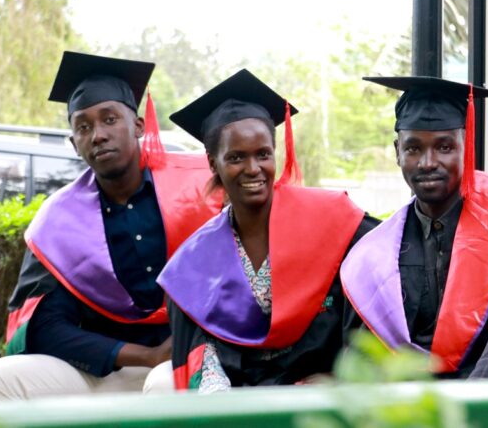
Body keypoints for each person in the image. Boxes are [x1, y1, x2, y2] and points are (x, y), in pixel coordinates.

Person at [0, 52, 223, 399]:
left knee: (165, 384)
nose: (98, 135)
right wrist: (144, 356)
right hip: (103, 369)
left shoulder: (198, 187)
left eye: (109, 119)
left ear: (138, 126)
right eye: (84, 126)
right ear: (75, 143)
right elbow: (45, 327)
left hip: (183, 360)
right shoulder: (60, 219)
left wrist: (168, 356)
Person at [157, 69, 378, 391]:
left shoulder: (334, 221)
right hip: (241, 394)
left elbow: (375, 299)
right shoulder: (195, 260)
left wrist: (343, 378)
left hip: (322, 394)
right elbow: (198, 351)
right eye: (236, 157)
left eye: (263, 154)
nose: (252, 169)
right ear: (212, 162)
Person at [340, 76, 488, 378]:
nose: (427, 162)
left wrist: (468, 411)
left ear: (467, 146)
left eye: (444, 147)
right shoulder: (373, 255)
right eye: (413, 149)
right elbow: (364, 356)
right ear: (397, 151)